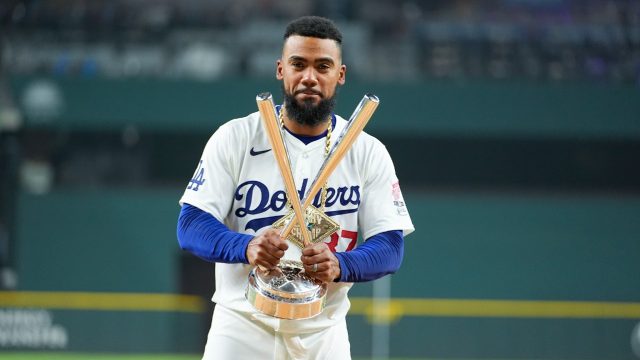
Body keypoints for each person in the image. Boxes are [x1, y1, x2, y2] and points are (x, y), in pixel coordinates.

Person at [177, 15, 414, 360]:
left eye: (323, 66)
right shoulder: (236, 137)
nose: (309, 77)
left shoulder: (366, 151)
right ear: (280, 70)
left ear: (340, 74)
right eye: (298, 64)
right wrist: (246, 246)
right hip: (241, 326)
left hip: (324, 332)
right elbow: (191, 225)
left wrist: (341, 265)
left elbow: (390, 247)